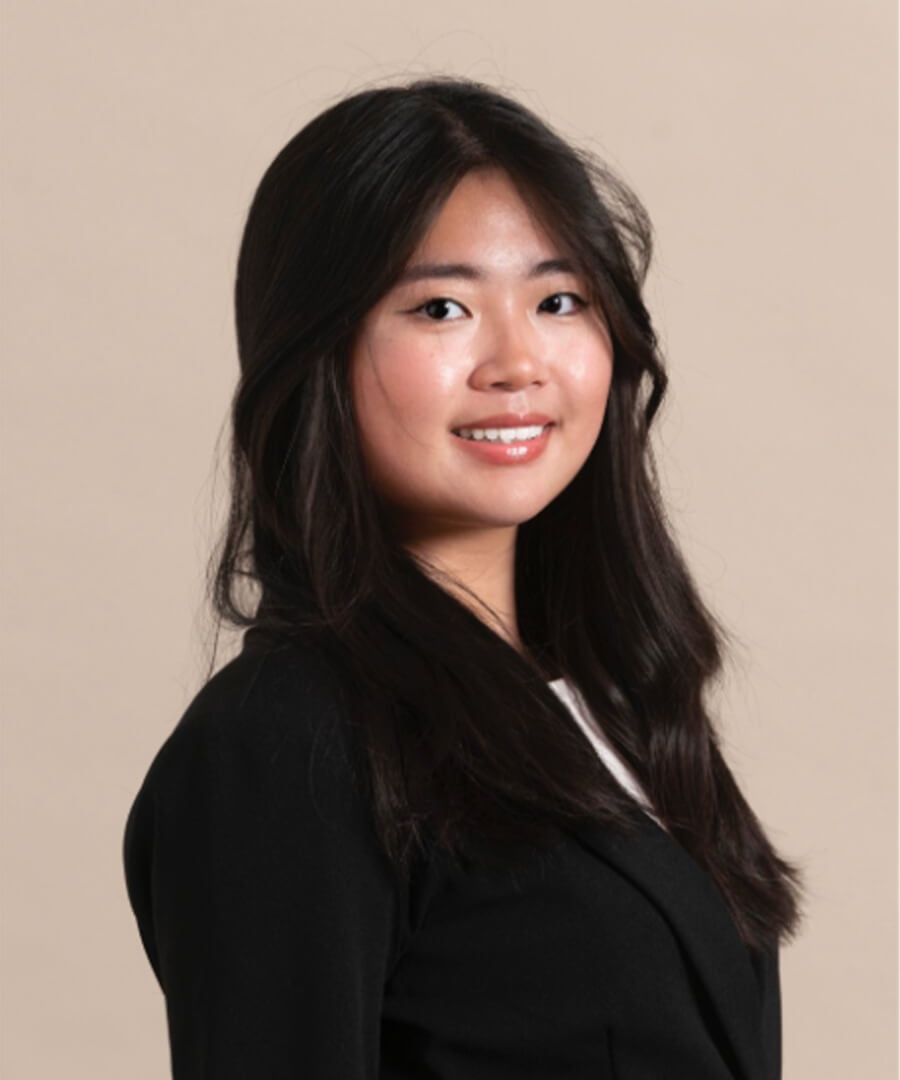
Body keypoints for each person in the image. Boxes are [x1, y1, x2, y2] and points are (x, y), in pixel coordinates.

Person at [122, 76, 803, 1079]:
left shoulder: (618, 698)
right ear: (317, 353)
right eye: (442, 307)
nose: (517, 360)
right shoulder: (285, 743)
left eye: (559, 299)